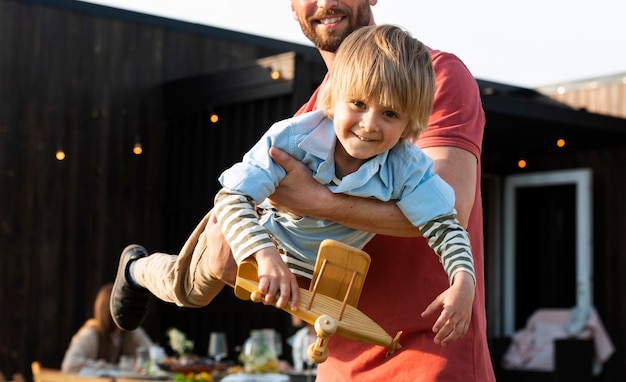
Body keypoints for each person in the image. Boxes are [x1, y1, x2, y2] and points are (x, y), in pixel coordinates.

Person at [111, 1, 495, 380]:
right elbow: (239, 208)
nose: (370, 123)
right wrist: (249, 256)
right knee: (192, 279)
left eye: (390, 113)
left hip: (427, 357)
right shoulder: (301, 128)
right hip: (338, 354)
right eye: (358, 104)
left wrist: (319, 202)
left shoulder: (427, 76)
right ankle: (136, 270)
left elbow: (450, 213)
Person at [62, 283, 153, 373]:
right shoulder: (91, 334)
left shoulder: (131, 332)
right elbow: (69, 365)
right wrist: (114, 368)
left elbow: (155, 356)